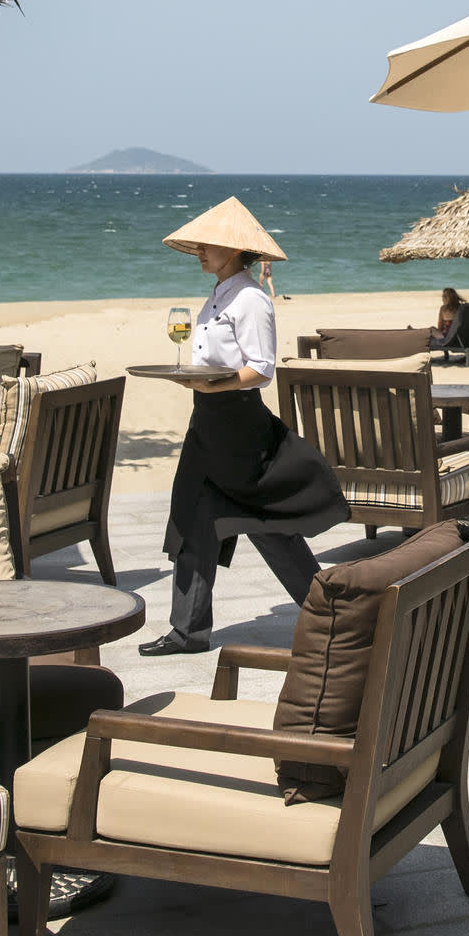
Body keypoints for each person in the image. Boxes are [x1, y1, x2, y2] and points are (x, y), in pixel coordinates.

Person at [145, 198, 349, 656]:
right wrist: (200, 385)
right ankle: (188, 632)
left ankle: (331, 616)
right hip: (208, 424)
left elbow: (261, 368)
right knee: (193, 520)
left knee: (268, 526)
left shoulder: (252, 299)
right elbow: (211, 362)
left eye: (208, 244)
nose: (199, 250)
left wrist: (212, 389)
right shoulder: (218, 294)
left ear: (235, 251)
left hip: (238, 427)